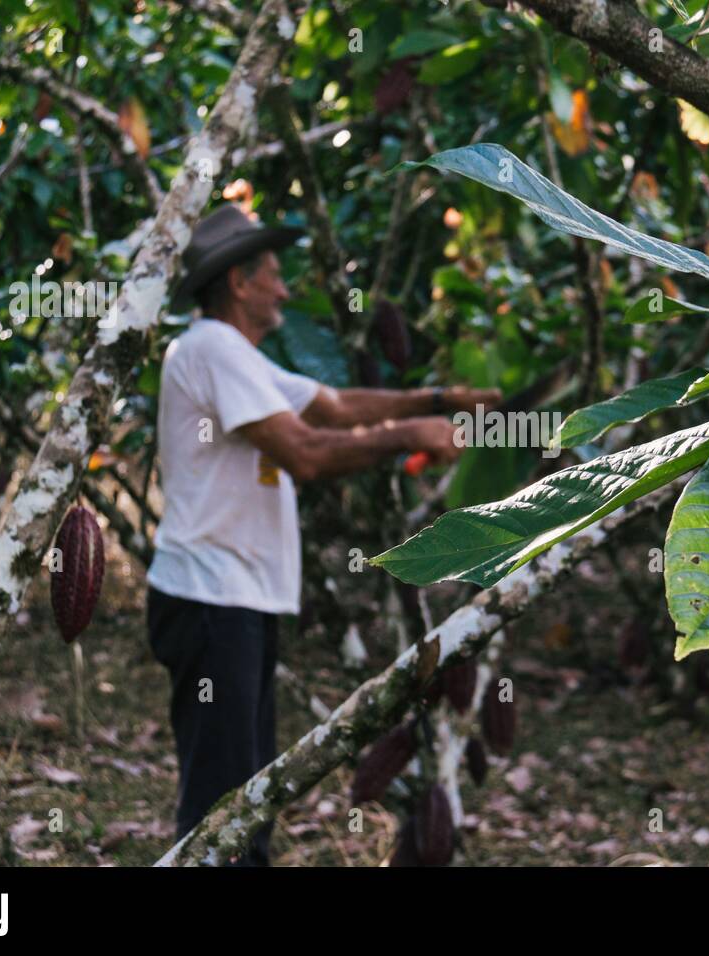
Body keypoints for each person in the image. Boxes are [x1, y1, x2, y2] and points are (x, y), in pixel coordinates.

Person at [146, 203, 498, 865]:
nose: (285, 289)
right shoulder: (211, 348)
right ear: (239, 283)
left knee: (242, 794)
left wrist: (440, 402)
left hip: (234, 599)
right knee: (222, 801)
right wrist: (410, 437)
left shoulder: (235, 356)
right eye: (274, 276)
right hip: (211, 599)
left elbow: (334, 405)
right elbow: (305, 452)